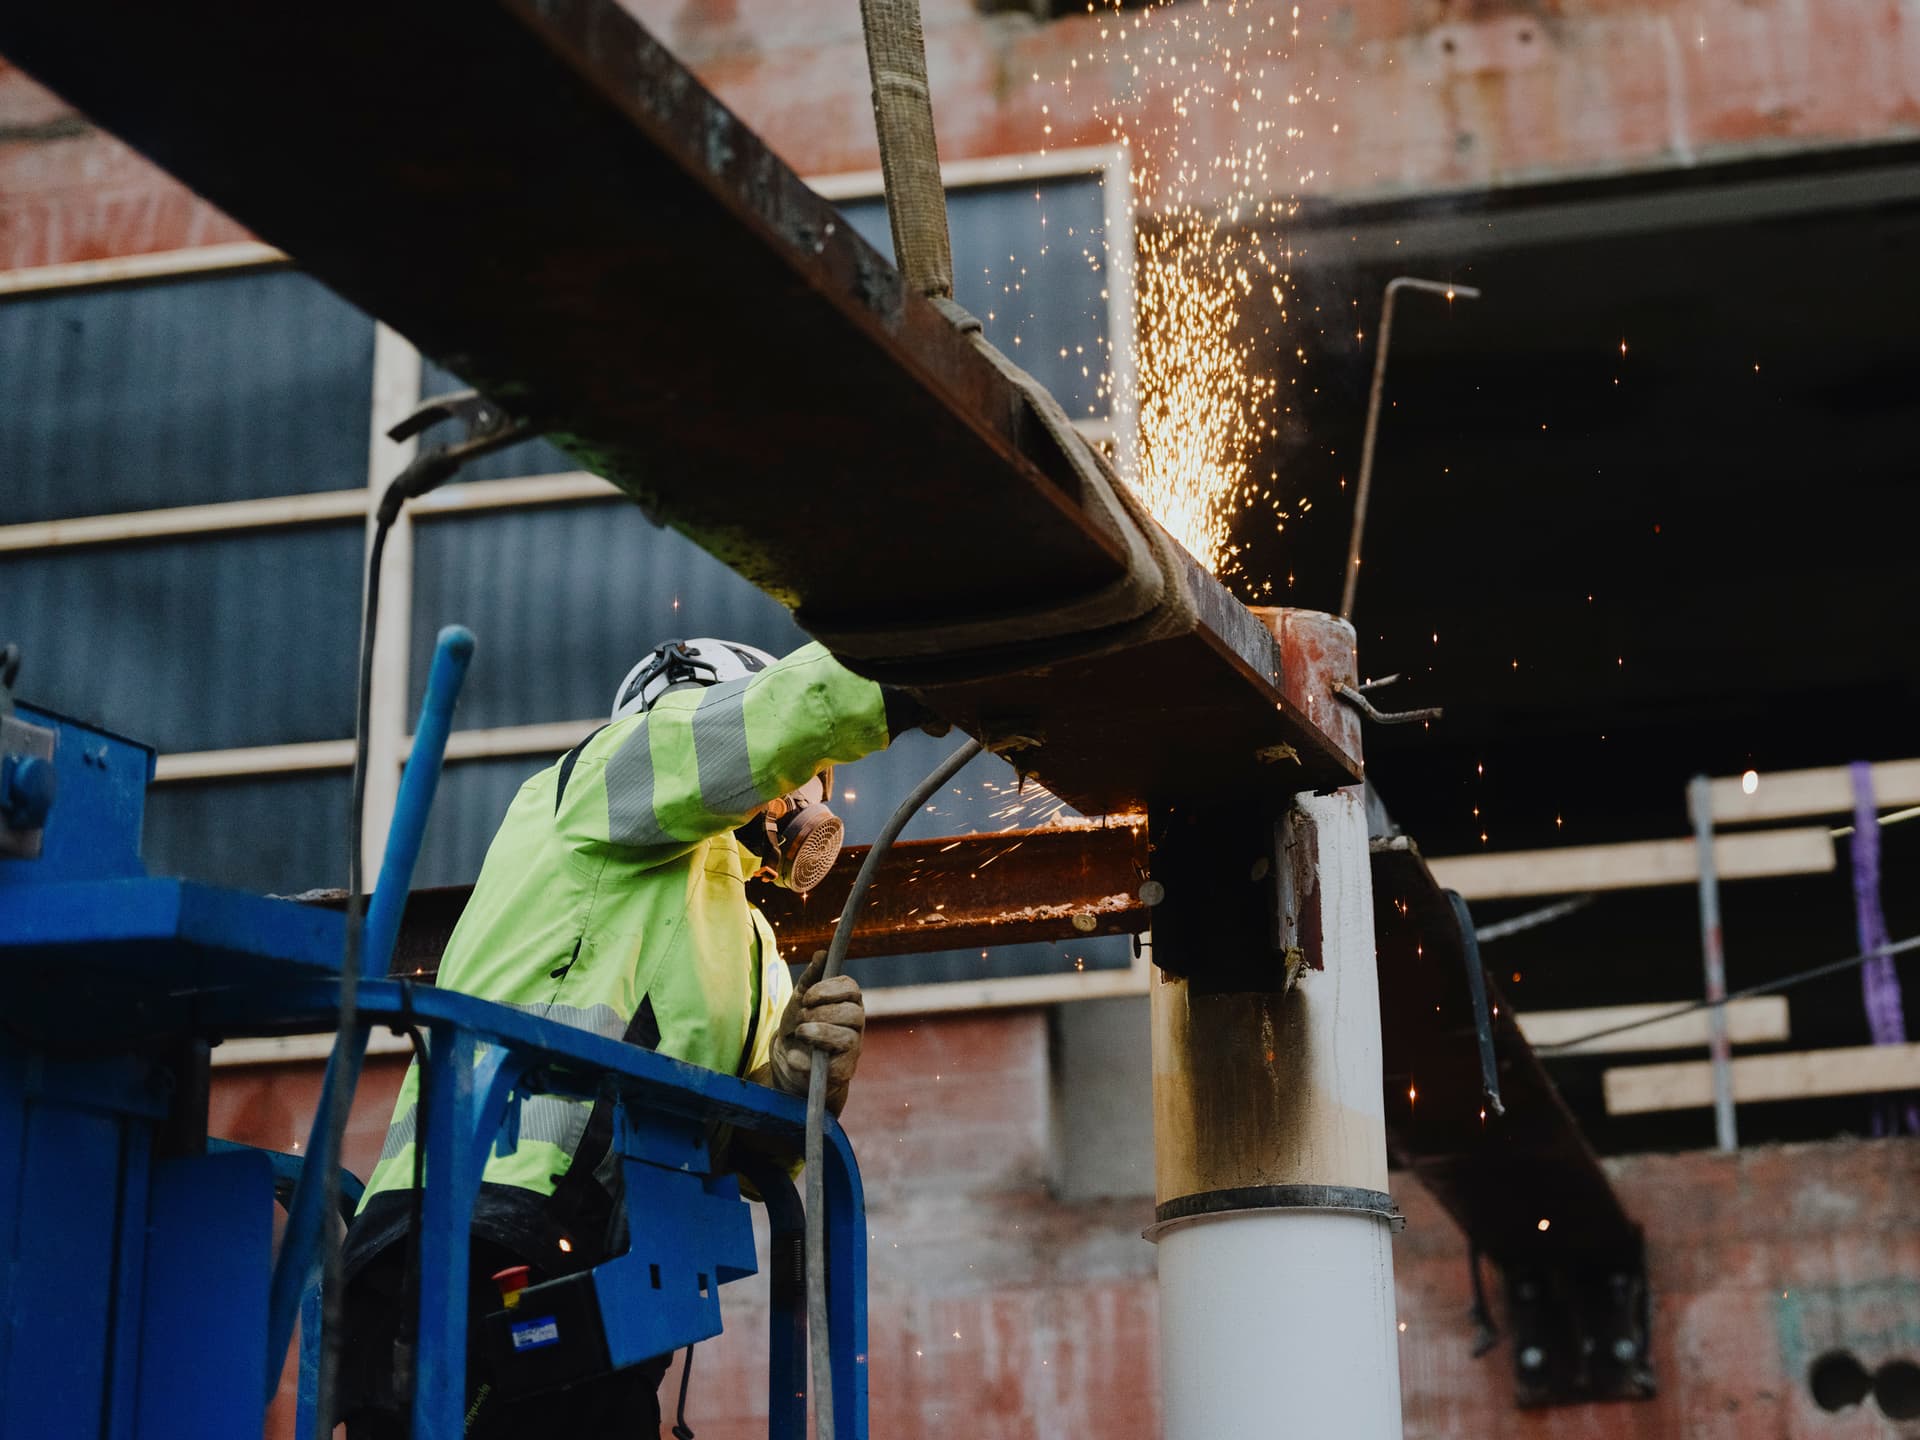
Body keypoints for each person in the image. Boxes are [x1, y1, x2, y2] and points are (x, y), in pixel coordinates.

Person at [340, 637, 930, 1437]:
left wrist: (791, 1086)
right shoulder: (601, 781)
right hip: (472, 1229)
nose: (802, 796)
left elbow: (743, 1157)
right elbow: (765, 724)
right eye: (795, 776)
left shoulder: (753, 947)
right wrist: (907, 670)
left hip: (610, 1279)